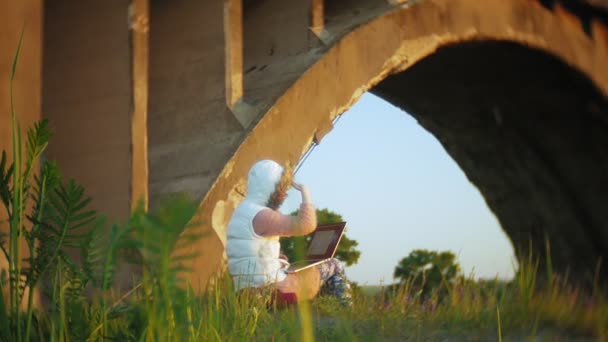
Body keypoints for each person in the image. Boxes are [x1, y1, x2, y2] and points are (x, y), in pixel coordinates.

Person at [226, 159, 352, 306]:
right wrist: (305, 193)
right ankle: (344, 310)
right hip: (274, 287)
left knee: (294, 266)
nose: (285, 195)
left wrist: (277, 260)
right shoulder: (262, 215)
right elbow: (306, 225)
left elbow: (248, 252)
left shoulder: (241, 212)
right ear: (270, 187)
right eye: (281, 189)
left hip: (247, 288)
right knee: (333, 264)